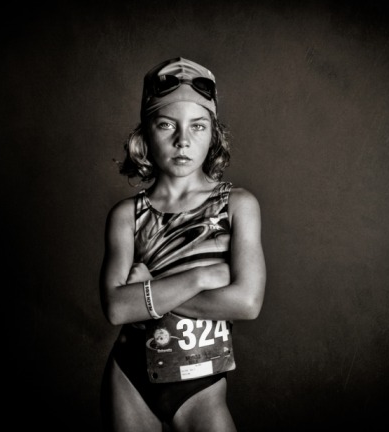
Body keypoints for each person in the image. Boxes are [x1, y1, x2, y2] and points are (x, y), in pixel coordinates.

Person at [100, 57, 266, 432]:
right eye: (166, 124)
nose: (183, 140)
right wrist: (201, 277)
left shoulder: (237, 205)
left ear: (214, 134)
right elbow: (115, 308)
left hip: (201, 387)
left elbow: (247, 302)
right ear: (145, 133)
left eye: (198, 126)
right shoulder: (127, 215)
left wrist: (148, 294)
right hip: (130, 378)